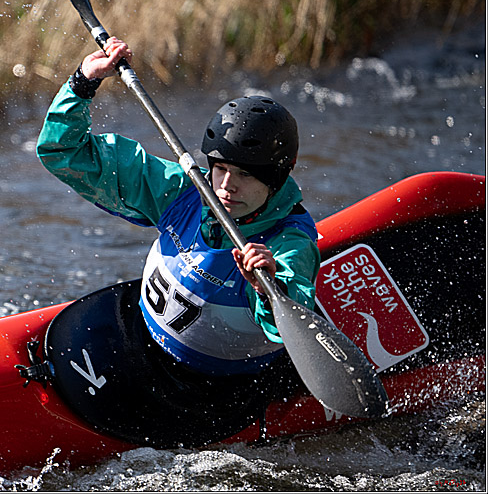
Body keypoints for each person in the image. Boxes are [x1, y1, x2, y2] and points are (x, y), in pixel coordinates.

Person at [36, 36, 320, 441]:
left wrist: (267, 283)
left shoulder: (288, 244)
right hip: (140, 342)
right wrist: (83, 82)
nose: (226, 186)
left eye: (245, 175)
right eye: (220, 168)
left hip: (214, 395)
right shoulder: (182, 191)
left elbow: (285, 321)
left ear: (275, 179)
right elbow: (63, 153)